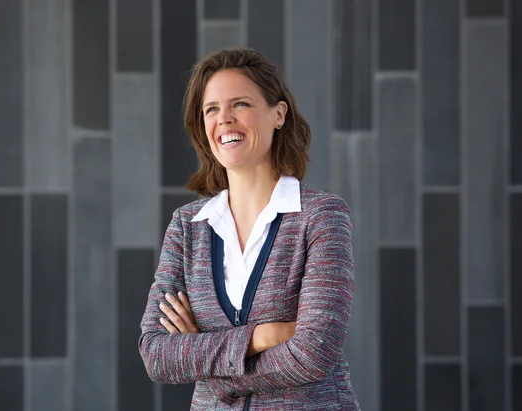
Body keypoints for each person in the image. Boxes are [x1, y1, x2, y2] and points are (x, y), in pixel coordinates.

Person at [138, 47, 360, 410]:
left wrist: (208, 365)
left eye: (240, 104)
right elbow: (156, 354)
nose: (224, 119)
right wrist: (260, 337)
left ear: (278, 114)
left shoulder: (321, 216)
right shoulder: (187, 227)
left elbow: (314, 351)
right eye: (211, 109)